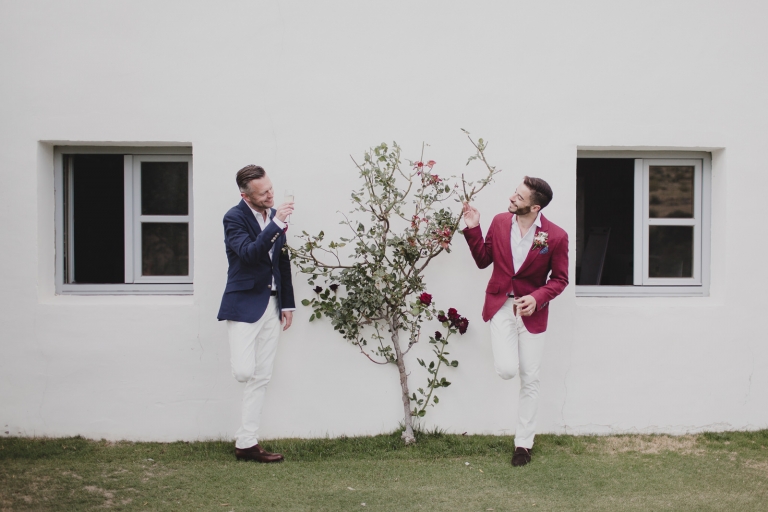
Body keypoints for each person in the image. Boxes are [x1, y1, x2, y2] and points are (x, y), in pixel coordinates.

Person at [462, 176, 568, 467]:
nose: (511, 198)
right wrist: (473, 227)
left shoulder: (556, 236)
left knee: (530, 378)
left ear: (535, 207)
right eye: (514, 193)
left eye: (519, 198)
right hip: (500, 306)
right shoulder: (498, 222)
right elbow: (484, 260)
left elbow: (560, 280)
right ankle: (523, 438)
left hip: (533, 314)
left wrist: (537, 298)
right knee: (508, 370)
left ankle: (524, 443)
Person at [217, 165, 295, 463]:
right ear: (245, 195)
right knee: (244, 373)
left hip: (273, 306)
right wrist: (276, 224)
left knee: (262, 377)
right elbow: (249, 254)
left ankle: (247, 443)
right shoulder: (233, 218)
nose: (270, 195)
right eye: (264, 193)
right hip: (245, 305)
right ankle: (246, 441)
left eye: (271, 189)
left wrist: (287, 304)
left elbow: (282, 263)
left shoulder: (272, 216)